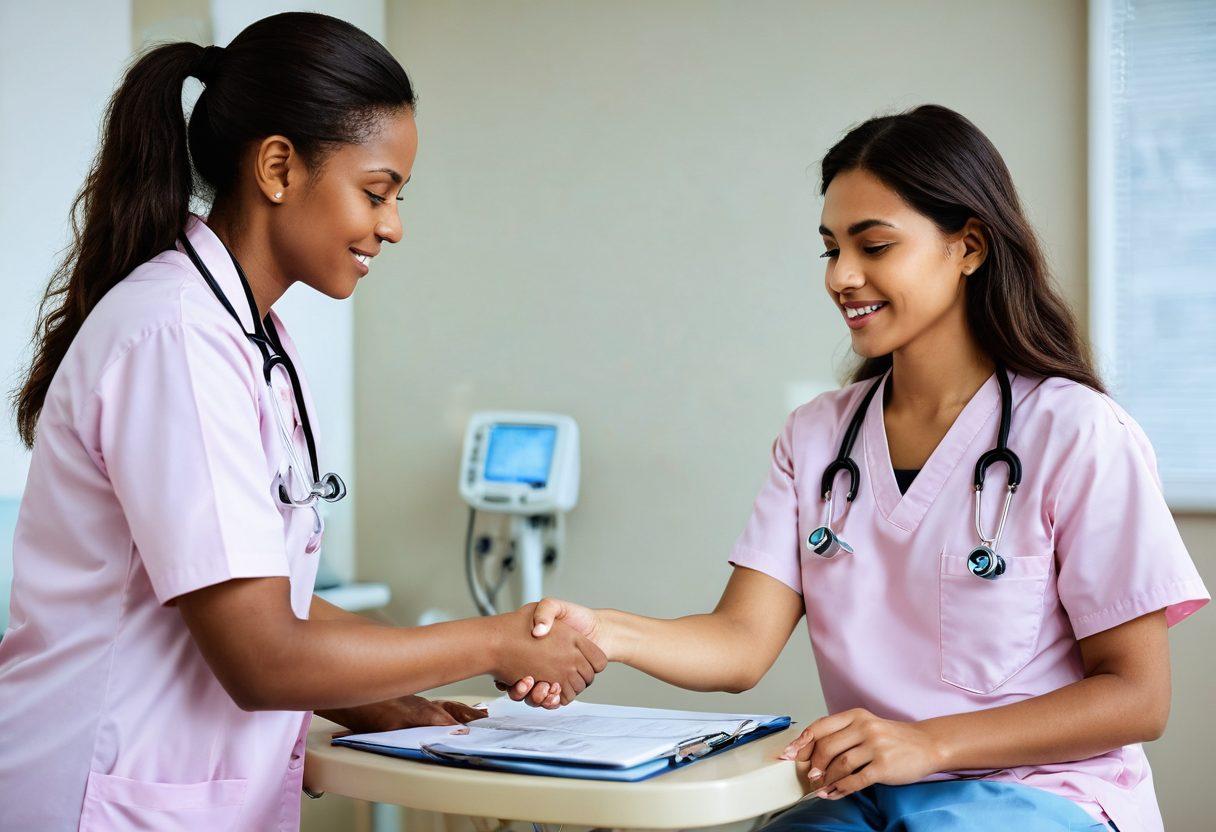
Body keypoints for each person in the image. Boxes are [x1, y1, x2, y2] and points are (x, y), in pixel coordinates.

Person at [508, 105, 1208, 831]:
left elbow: (1137, 697)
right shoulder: (817, 437)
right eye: (830, 249)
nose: (843, 276)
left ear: (968, 246)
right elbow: (741, 643)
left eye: (873, 246)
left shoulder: (1077, 432)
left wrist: (929, 744)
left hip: (1044, 794)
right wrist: (608, 631)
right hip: (869, 793)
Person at [0, 13, 604, 831]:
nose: (393, 225)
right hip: (95, 795)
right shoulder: (176, 335)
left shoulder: (252, 340)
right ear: (279, 167)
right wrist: (496, 641)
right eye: (377, 191)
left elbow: (258, 590)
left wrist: (388, 703)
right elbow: (262, 653)